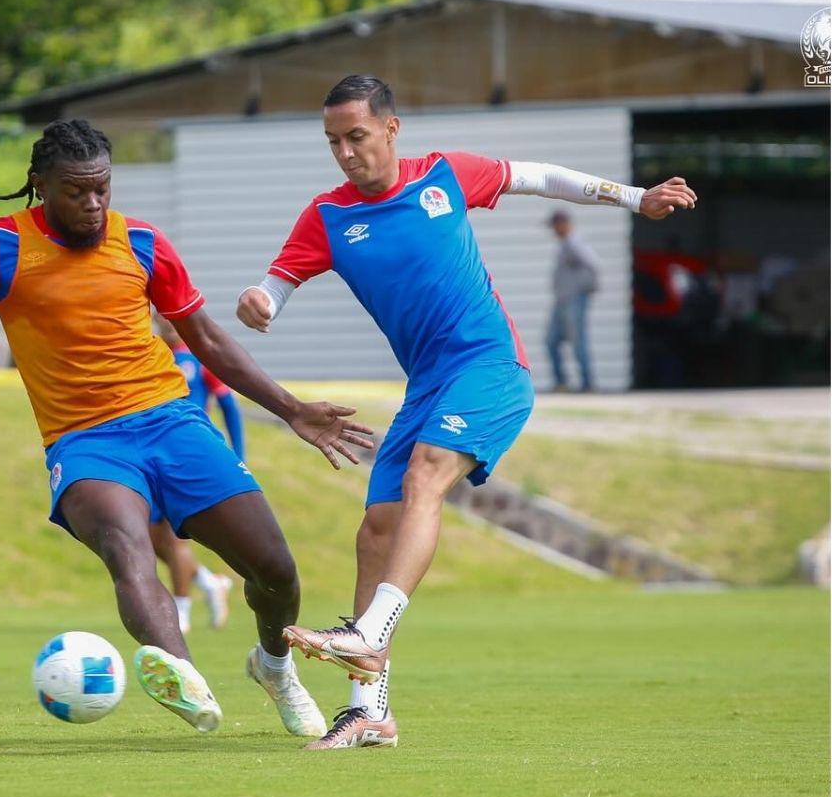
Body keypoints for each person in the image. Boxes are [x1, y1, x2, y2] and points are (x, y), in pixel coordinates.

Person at [0, 120, 372, 736]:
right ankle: (187, 682)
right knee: (128, 551)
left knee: (275, 569)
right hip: (85, 441)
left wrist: (291, 409)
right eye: (77, 191)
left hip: (172, 420)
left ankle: (274, 667)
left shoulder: (142, 243)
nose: (93, 204)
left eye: (102, 189)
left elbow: (208, 339)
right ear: (40, 186)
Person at [238, 75, 696, 750]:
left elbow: (538, 177)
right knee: (376, 531)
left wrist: (635, 198)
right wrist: (261, 302)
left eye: (356, 137)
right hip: (426, 384)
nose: (344, 153)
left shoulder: (446, 176)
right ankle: (369, 711)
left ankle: (370, 633)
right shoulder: (328, 216)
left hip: (489, 367)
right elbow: (276, 285)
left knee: (426, 476)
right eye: (333, 141)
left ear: (391, 130)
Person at [151, 314, 240, 634]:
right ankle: (208, 581)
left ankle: (181, 613)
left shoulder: (200, 356)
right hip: (153, 455)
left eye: (172, 317)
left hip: (187, 457)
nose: (169, 324)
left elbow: (229, 405)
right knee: (152, 540)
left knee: (174, 538)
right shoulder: (151, 354)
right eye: (162, 318)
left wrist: (238, 455)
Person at [546, 210, 600, 392]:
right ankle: (562, 382)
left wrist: (586, 289)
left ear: (562, 224)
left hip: (574, 300)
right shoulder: (566, 244)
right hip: (562, 301)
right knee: (551, 341)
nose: (553, 231)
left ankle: (587, 384)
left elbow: (593, 264)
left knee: (578, 342)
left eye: (555, 226)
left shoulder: (575, 243)